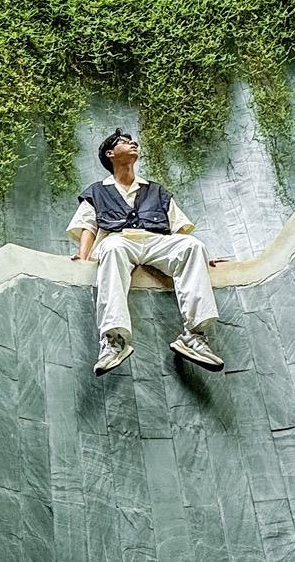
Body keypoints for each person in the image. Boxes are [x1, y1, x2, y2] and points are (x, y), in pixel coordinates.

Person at [68, 128, 225, 377]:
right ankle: (113, 341)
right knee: (112, 247)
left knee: (193, 245)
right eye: (125, 142)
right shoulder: (96, 191)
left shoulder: (157, 191)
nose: (133, 144)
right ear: (110, 153)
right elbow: (88, 226)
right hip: (120, 241)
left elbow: (179, 229)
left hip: (155, 241)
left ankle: (194, 337)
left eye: (133, 142)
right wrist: (83, 256)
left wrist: (201, 256)